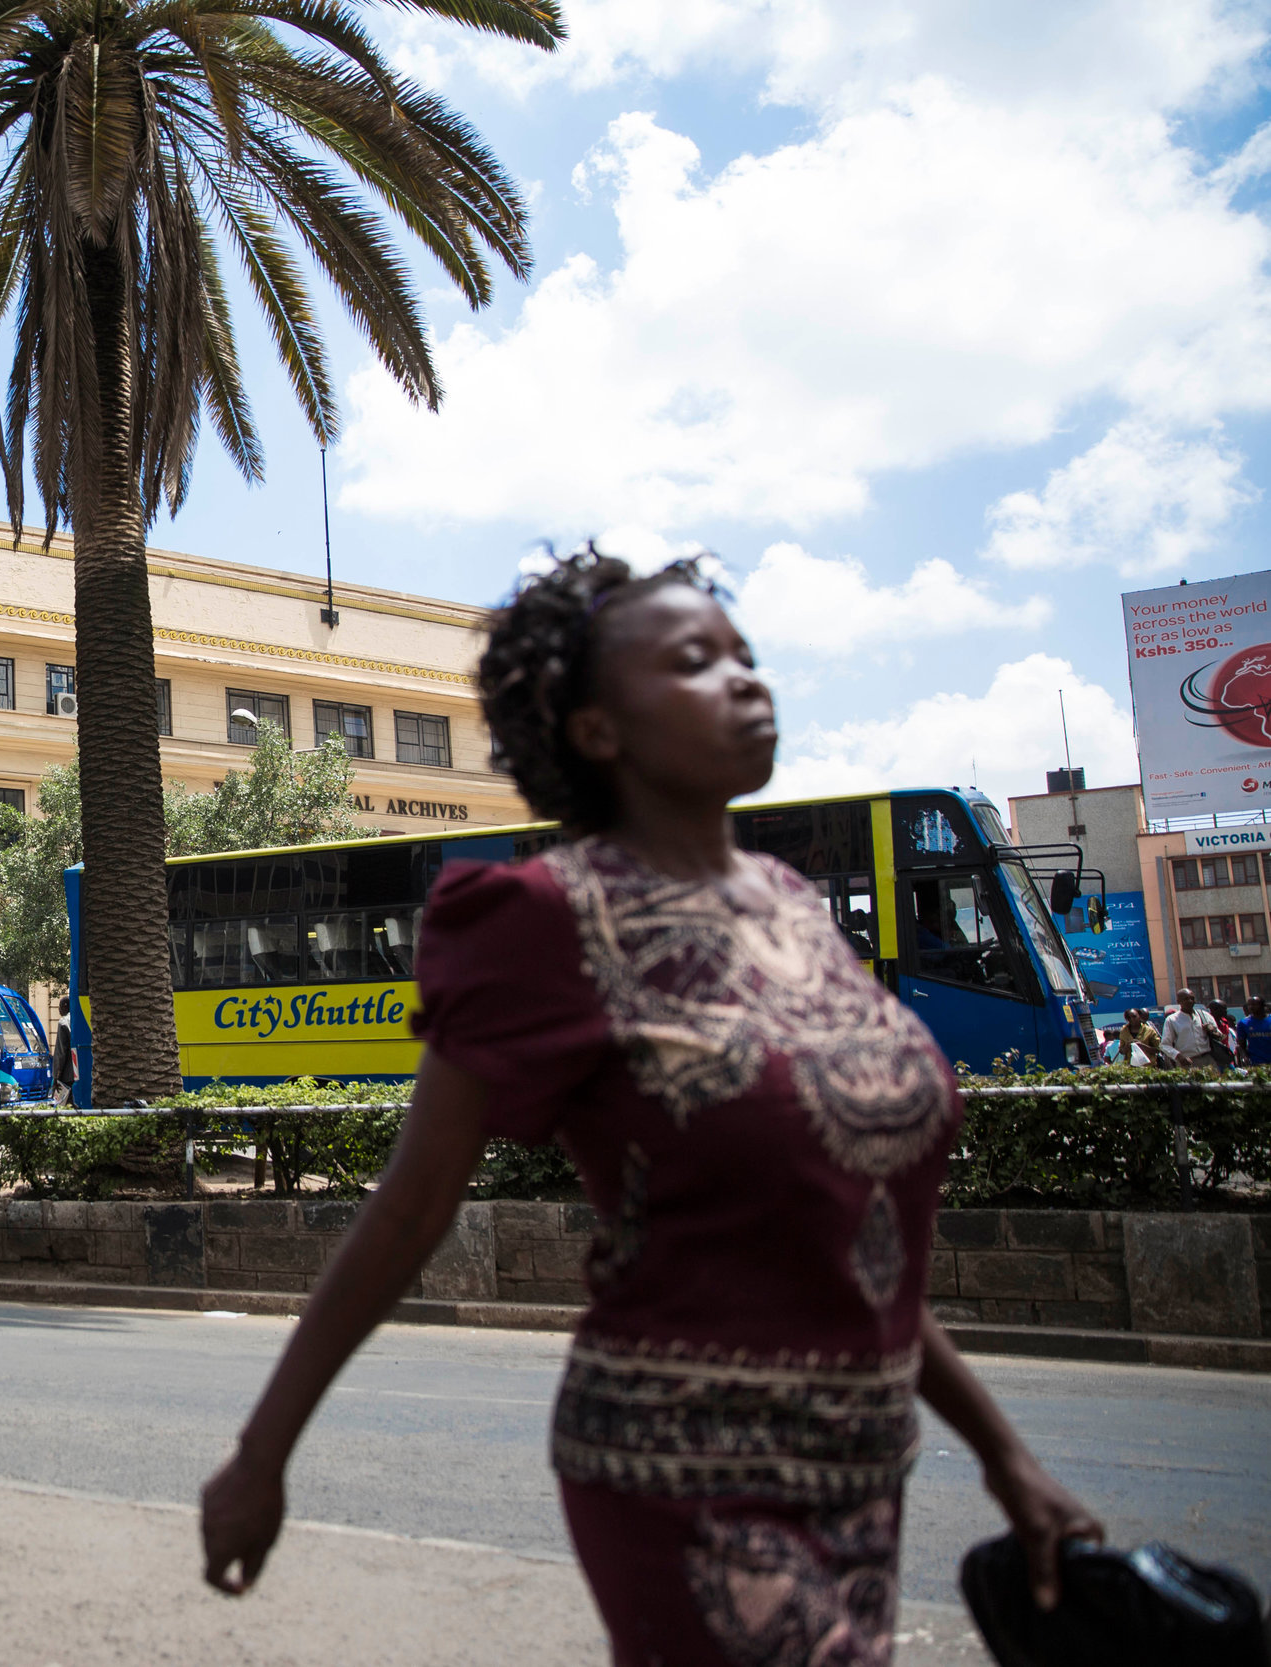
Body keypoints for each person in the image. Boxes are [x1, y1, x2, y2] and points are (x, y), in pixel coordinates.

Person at [198, 548, 1099, 1660]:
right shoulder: (540, 920)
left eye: (745, 655)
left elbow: (838, 1235)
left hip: (864, 1470)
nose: (745, 679)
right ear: (595, 730)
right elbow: (408, 1209)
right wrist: (261, 1453)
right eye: (693, 662)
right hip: (679, 1470)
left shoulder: (789, 906)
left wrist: (1006, 1458)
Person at [1159, 990, 1214, 1068]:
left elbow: (1220, 1036)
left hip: (1207, 1060)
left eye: (1192, 998)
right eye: (1186, 999)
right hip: (1187, 1063)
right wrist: (1179, 1056)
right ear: (1178, 1001)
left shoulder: (1205, 1016)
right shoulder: (1172, 1020)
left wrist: (1212, 1030)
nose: (1190, 1001)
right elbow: (1164, 1045)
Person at [50, 996, 77, 1108]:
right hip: (82, 1072)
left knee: (64, 1106)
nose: (59, 1011)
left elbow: (60, 1053)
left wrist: (56, 1076)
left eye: (59, 1007)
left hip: (67, 1076)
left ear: (65, 1007)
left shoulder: (63, 1022)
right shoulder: (80, 1019)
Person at [1238, 998, 1271, 1068]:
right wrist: (1244, 1057)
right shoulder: (1243, 1023)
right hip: (1256, 1063)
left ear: (1262, 1005)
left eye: (1254, 1004)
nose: (1251, 1007)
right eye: (1249, 1005)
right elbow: (1241, 1045)